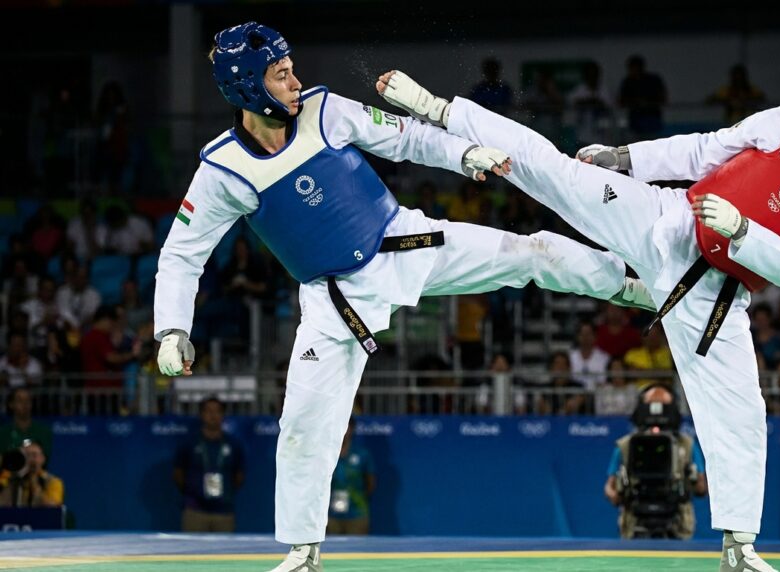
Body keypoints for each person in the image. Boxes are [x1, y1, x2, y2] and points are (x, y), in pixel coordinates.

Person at [377, 43, 780, 571]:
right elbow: (704, 150)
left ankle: (739, 550)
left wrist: (743, 232)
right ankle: (444, 111)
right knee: (553, 171)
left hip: (712, 296)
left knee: (741, 413)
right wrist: (626, 159)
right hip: (665, 219)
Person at [155, 22, 654, 572]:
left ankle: (631, 286)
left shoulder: (326, 110)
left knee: (529, 253)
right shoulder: (222, 169)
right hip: (332, 300)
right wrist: (172, 328)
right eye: (281, 74)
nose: (297, 79)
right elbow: (182, 253)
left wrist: (465, 154)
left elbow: (408, 137)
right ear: (249, 87)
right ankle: (302, 552)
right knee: (304, 422)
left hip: (402, 240)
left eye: (292, 67)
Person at [604, 384, 707, 539]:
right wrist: (616, 493)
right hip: (635, 522)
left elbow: (701, 488)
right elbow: (609, 486)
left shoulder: (686, 445)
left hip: (677, 523)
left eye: (664, 406)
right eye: (650, 404)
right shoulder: (626, 445)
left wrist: (690, 479)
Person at [173, 396, 246, 532]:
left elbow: (239, 476)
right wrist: (193, 492)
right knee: (191, 551)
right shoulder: (190, 443)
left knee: (224, 552)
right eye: (208, 411)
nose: (213, 415)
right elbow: (178, 474)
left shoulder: (233, 444)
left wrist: (226, 494)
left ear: (223, 415)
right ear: (202, 414)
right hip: (195, 512)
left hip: (224, 512)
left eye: (217, 411)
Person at [326, 416, 375, 535]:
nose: (342, 431)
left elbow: (371, 483)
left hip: (357, 515)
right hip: (330, 515)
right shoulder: (326, 453)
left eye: (346, 427)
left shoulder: (362, 454)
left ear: (352, 429)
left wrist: (357, 499)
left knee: (357, 551)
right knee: (330, 552)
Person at [0, 440, 64, 508]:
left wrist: (33, 480)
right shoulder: (7, 478)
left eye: (34, 455)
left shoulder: (53, 482)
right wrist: (14, 479)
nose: (29, 459)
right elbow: (2, 505)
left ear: (42, 458)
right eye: (26, 455)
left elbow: (53, 509)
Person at [0, 388, 53, 458]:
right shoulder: (3, 432)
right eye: (20, 400)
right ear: (11, 404)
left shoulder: (44, 431)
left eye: (28, 400)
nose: (25, 404)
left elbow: (44, 458)